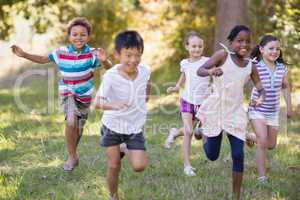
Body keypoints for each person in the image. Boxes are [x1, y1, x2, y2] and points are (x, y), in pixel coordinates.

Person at [11, 17, 112, 171]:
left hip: (84, 96)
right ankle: (72, 157)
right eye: (75, 34)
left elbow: (110, 69)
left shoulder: (92, 54)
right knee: (71, 121)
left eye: (83, 34)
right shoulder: (61, 52)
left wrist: (105, 61)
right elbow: (43, 59)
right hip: (67, 93)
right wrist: (24, 54)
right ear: (69, 36)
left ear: (88, 37)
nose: (78, 37)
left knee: (78, 128)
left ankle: (73, 154)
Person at [196, 25, 265, 200]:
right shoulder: (223, 55)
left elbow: (260, 87)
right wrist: (211, 71)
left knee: (238, 155)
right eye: (239, 41)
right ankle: (203, 131)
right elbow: (200, 70)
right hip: (216, 110)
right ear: (231, 42)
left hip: (235, 112)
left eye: (247, 41)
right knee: (212, 155)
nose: (244, 44)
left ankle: (236, 196)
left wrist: (260, 97)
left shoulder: (251, 65)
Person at [94, 30, 150, 200]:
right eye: (128, 55)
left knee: (139, 166)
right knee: (113, 165)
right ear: (118, 54)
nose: (133, 60)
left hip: (134, 127)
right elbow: (97, 103)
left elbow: (147, 87)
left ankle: (125, 147)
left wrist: (144, 98)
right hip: (113, 126)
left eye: (138, 55)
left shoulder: (145, 70)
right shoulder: (110, 76)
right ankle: (113, 196)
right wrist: (114, 105)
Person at [248, 35, 293, 183]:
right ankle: (262, 177)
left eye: (277, 49)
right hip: (257, 110)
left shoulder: (282, 68)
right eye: (271, 48)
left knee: (271, 145)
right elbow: (241, 81)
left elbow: (285, 88)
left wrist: (289, 107)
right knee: (262, 141)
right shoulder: (255, 65)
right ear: (261, 50)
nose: (275, 51)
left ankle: (247, 136)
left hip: (273, 112)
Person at [165, 31, 211, 176]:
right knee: (189, 132)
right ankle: (187, 166)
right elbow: (183, 78)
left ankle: (174, 132)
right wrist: (176, 87)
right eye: (193, 46)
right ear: (187, 47)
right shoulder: (184, 63)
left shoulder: (207, 61)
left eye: (200, 46)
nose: (197, 49)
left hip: (202, 104)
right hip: (187, 101)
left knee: (193, 131)